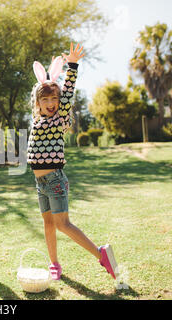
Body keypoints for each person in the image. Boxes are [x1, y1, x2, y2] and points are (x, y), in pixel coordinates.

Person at [27, 43, 119, 281]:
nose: (50, 103)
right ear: (38, 102)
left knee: (63, 224)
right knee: (48, 224)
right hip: (40, 183)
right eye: (45, 99)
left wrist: (73, 66)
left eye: (54, 98)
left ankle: (101, 254)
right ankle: (54, 264)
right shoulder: (37, 121)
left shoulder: (59, 119)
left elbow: (68, 93)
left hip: (54, 179)